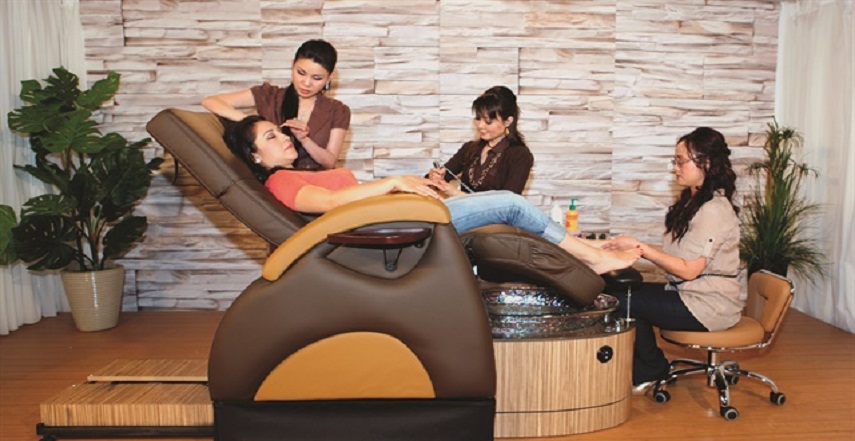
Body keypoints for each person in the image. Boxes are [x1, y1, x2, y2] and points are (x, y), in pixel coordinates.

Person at [224, 115, 641, 275]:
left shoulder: (298, 172)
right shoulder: (280, 182)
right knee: (511, 204)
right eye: (270, 137)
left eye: (278, 131)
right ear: (255, 157)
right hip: (401, 224)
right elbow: (333, 206)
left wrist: (414, 187)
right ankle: (594, 258)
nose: (282, 138)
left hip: (405, 213)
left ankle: (588, 250)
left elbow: (347, 198)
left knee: (507, 209)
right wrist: (395, 183)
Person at [603, 127, 743, 393]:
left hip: (708, 305)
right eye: (675, 161)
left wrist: (641, 248)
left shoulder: (713, 210)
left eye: (681, 161)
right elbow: (677, 254)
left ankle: (652, 371)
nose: (675, 168)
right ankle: (650, 368)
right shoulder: (694, 203)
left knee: (623, 301)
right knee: (623, 294)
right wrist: (632, 247)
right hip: (690, 294)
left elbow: (689, 270)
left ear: (706, 162)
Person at [202, 39, 350, 170]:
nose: (306, 83)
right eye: (301, 73)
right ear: (292, 65)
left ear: (329, 77)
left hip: (316, 183)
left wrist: (305, 140)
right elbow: (210, 101)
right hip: (276, 182)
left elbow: (330, 162)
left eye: (316, 78)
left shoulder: (338, 111)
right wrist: (252, 122)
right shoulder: (269, 96)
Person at [427, 86, 533, 196]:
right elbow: (440, 177)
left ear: (508, 121)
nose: (480, 126)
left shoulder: (520, 155)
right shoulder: (469, 148)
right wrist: (434, 177)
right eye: (478, 118)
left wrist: (457, 194)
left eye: (488, 121)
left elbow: (508, 202)